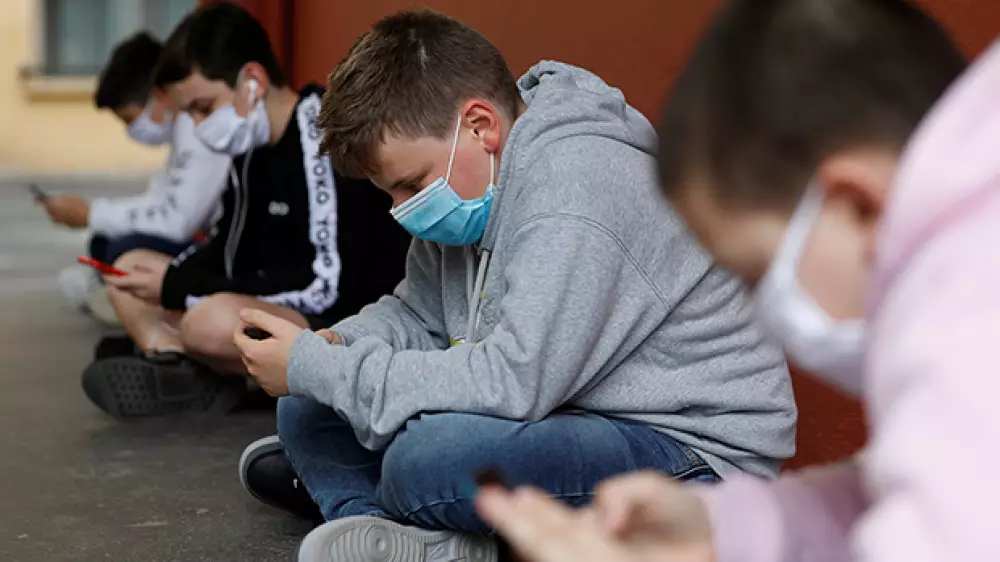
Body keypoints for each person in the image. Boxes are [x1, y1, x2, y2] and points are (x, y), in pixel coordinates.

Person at [231, 10, 798, 562]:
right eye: (391, 193)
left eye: (411, 185)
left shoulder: (575, 192)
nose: (400, 211)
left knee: (428, 456)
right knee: (305, 406)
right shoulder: (474, 185)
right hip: (564, 412)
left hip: (687, 451)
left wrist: (325, 369)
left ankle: (387, 498)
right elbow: (418, 315)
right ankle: (384, 529)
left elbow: (514, 382)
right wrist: (338, 345)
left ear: (481, 127)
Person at [477, 1, 993, 562]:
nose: (762, 314)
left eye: (755, 274)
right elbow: (931, 488)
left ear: (857, 207)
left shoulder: (960, 324)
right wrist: (721, 524)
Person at [80, 3, 410, 420]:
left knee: (207, 323)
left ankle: (205, 369)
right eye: (190, 114)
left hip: (337, 319)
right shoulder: (248, 148)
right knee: (131, 268)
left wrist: (183, 288)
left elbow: (325, 288)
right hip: (268, 300)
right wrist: (172, 279)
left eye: (203, 107)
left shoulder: (320, 136)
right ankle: (183, 368)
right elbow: (229, 248)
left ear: (253, 80)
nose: (198, 126)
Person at [48, 31, 229, 326]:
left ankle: (155, 314)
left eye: (131, 119)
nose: (133, 131)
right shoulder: (184, 129)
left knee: (121, 249)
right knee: (105, 243)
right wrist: (94, 214)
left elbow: (177, 222)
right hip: (198, 236)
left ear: (160, 95)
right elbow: (159, 201)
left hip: (214, 246)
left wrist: (92, 214)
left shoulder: (199, 130)